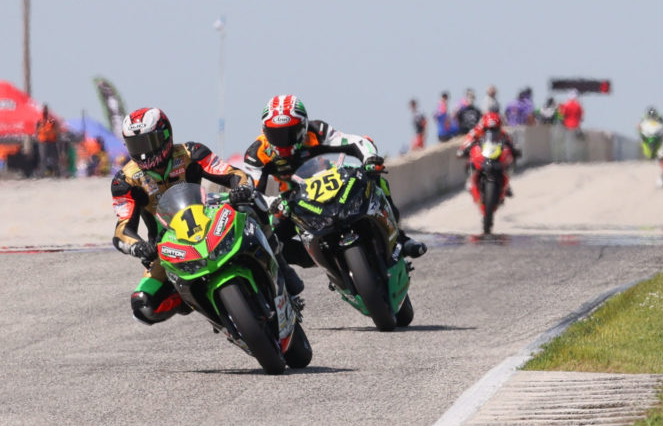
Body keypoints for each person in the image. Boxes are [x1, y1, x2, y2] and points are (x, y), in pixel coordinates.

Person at [111, 107, 303, 326]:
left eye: (148, 143)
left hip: (209, 220)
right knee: (143, 306)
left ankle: (281, 268)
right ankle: (196, 300)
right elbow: (122, 229)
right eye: (137, 146)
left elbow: (234, 174)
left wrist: (241, 188)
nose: (144, 153)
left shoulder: (191, 152)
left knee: (252, 202)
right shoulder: (124, 181)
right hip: (167, 246)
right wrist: (139, 247)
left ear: (166, 136)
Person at [243, 95, 427, 268]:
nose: (283, 142)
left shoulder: (317, 131)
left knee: (377, 181)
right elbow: (252, 191)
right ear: (264, 131)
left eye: (289, 133)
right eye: (276, 135)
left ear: (303, 127)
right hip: (294, 201)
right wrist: (272, 203)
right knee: (271, 240)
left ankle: (400, 239)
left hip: (335, 184)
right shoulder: (257, 152)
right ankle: (325, 264)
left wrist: (370, 159)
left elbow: (356, 142)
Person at [456, 111, 521, 198]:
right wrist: (463, 149)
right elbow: (469, 139)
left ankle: (506, 184)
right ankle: (470, 180)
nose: (492, 131)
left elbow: (510, 142)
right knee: (470, 162)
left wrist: (514, 149)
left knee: (508, 160)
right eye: (489, 129)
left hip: (496, 155)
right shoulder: (477, 130)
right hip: (482, 154)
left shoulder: (503, 133)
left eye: (495, 129)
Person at [35, 105, 60, 177]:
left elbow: (56, 128)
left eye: (46, 110)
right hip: (43, 141)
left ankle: (56, 172)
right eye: (44, 110)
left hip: (52, 141)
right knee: (43, 158)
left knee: (55, 158)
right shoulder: (39, 120)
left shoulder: (51, 119)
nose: (45, 112)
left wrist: (54, 135)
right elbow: (37, 130)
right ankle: (42, 173)